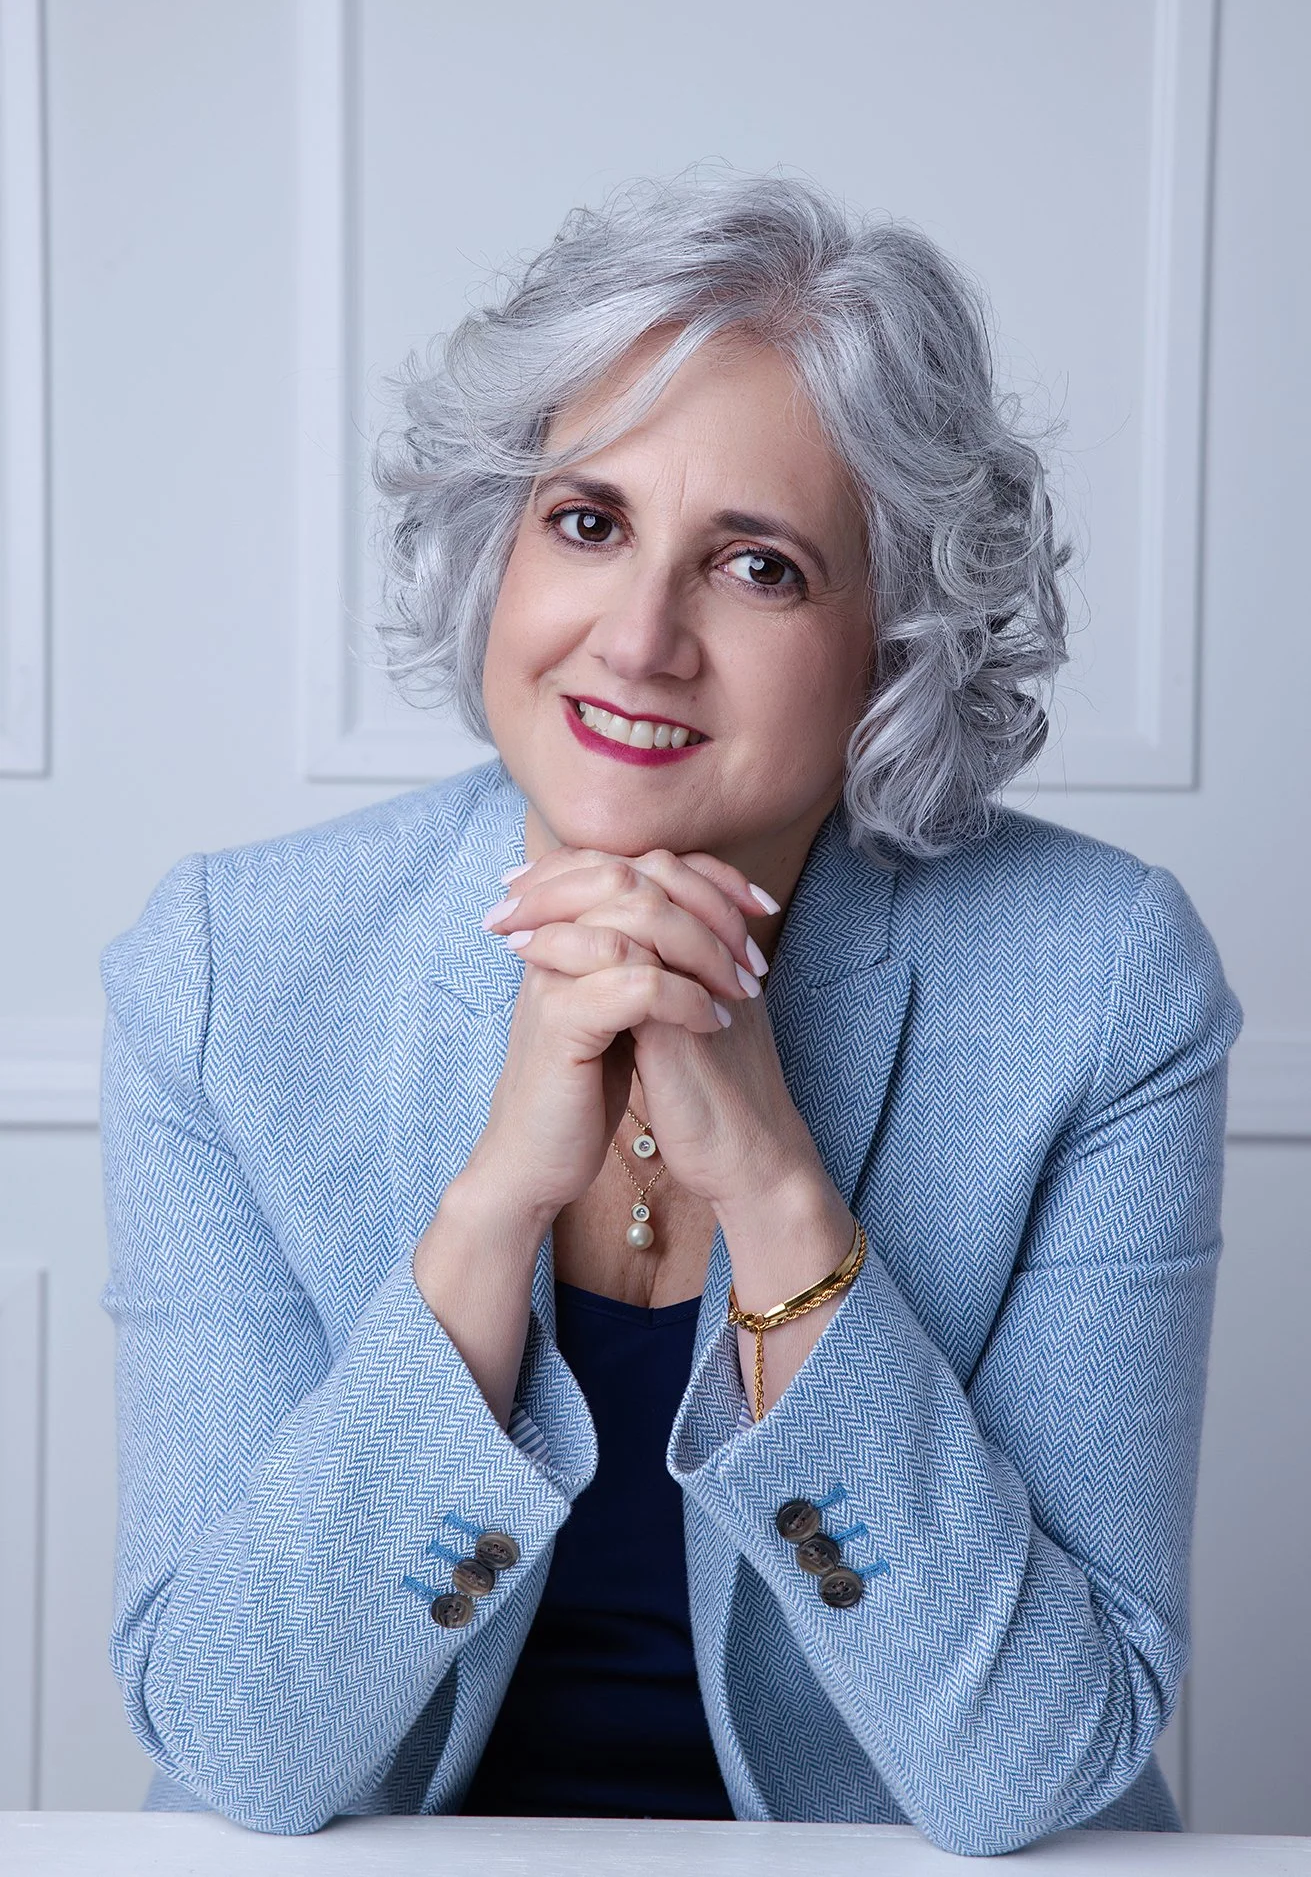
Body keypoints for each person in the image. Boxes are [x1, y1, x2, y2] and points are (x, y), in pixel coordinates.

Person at [100, 172, 1241, 1855]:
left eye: (758, 568)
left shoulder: (1097, 983)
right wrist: (491, 1213)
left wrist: (779, 1190)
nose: (637, 639)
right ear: (498, 546)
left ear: (895, 641)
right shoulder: (226, 972)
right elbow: (238, 1734)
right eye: (585, 523)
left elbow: (1033, 1764)